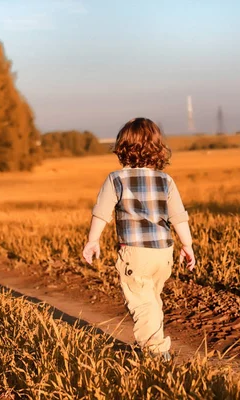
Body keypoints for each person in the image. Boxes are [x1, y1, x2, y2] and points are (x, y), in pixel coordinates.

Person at [82, 117, 196, 361]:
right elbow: (179, 217)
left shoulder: (116, 179)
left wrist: (93, 241)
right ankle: (155, 341)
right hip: (163, 252)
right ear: (157, 148)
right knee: (152, 299)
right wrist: (187, 246)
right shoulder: (166, 180)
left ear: (123, 148)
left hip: (135, 252)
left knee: (142, 303)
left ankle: (156, 353)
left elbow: (101, 213)